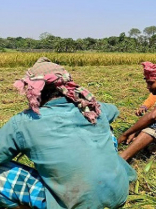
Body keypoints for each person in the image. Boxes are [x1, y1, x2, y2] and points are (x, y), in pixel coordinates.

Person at [0, 57, 136, 209]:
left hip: (76, 204)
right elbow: (113, 111)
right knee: (107, 130)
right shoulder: (92, 108)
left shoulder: (23, 122)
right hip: (118, 194)